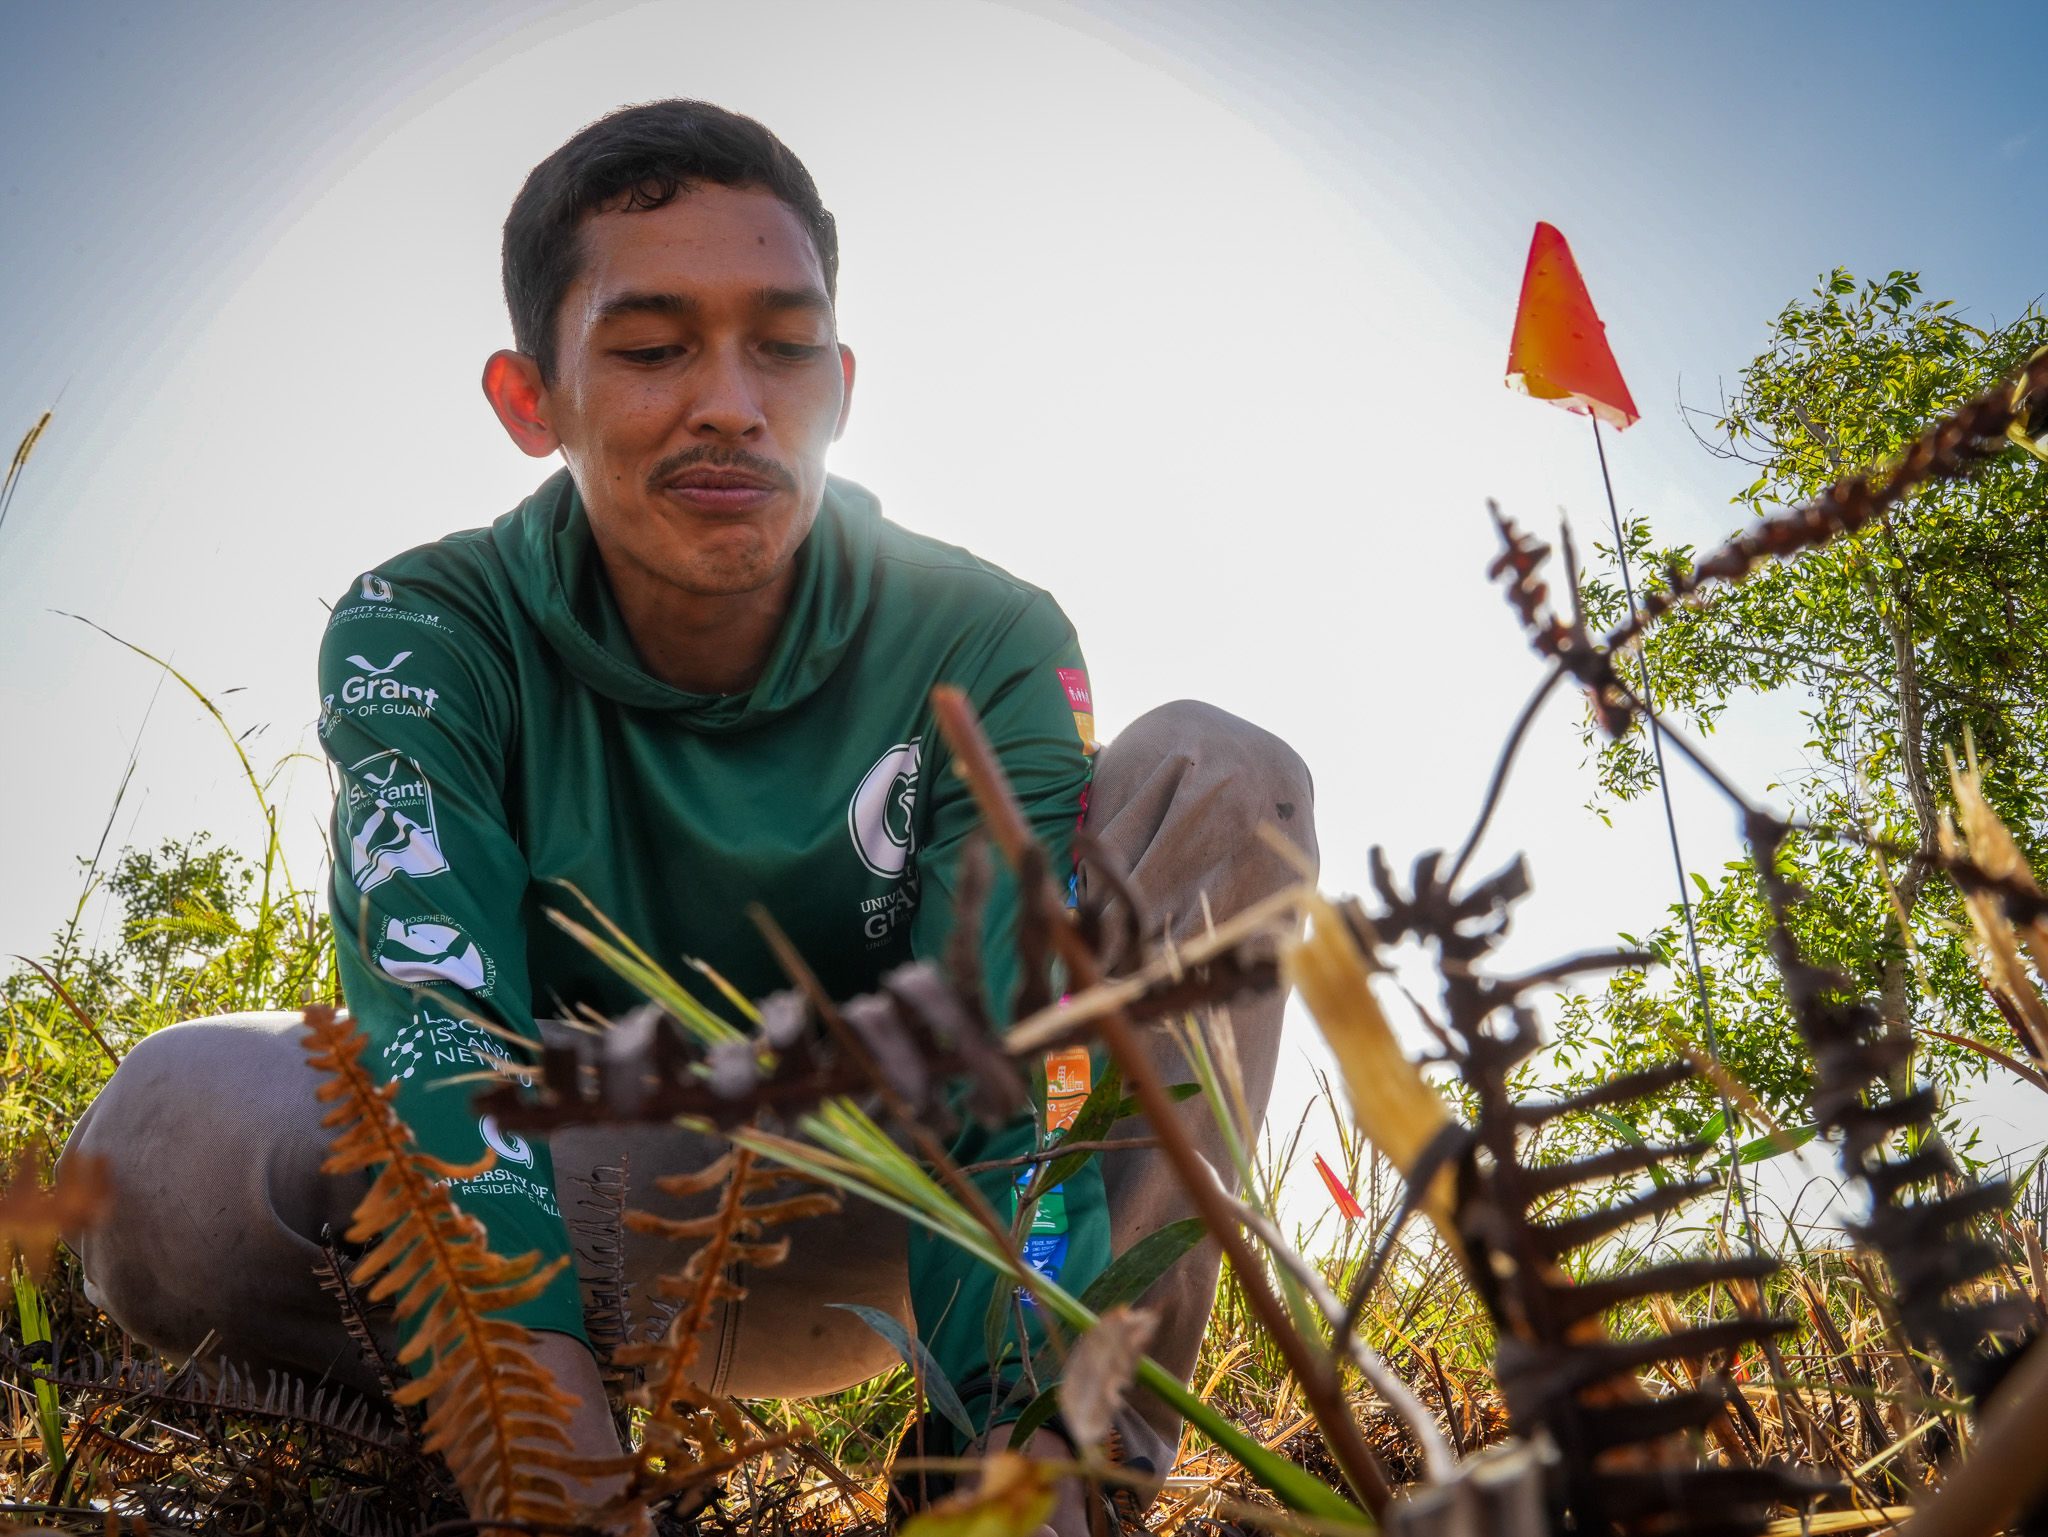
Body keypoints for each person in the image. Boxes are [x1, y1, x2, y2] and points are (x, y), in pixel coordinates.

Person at [63, 100, 1316, 1532]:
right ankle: (465, 1452)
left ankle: (1045, 1487)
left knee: (1227, 774)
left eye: (782, 347)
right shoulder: (425, 626)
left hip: (895, 1212)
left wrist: (1017, 1469)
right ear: (531, 398)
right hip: (578, 1190)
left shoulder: (987, 635)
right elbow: (433, 1027)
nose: (731, 398)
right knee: (158, 1127)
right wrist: (563, 1476)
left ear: (840, 383)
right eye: (653, 347)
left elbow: (998, 1075)